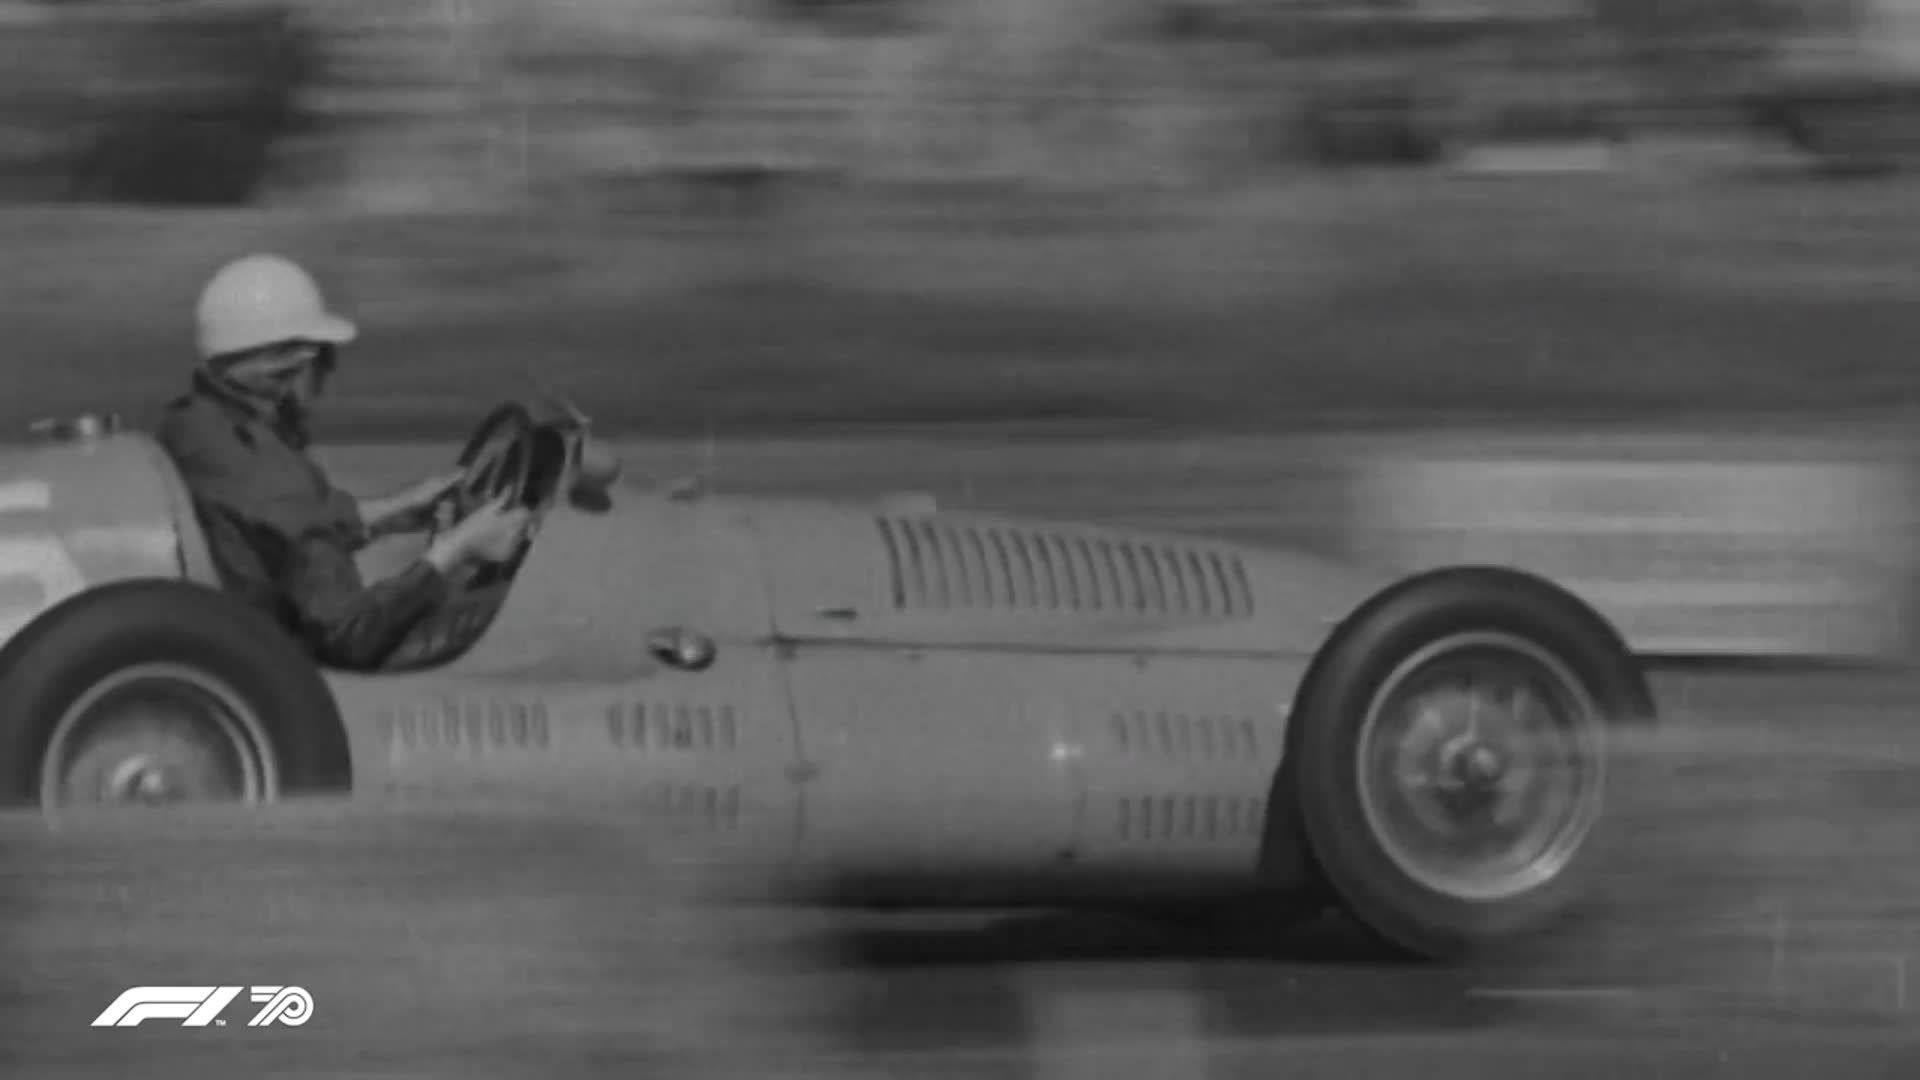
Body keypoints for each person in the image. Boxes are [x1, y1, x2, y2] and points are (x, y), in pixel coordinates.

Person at [156, 253, 532, 671]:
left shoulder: (196, 426)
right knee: (501, 607)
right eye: (323, 360)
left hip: (245, 632)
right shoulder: (270, 471)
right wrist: (457, 550)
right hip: (291, 659)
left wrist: (391, 514)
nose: (325, 378)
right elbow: (350, 633)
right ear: (285, 369)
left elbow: (278, 531)